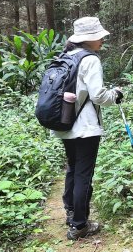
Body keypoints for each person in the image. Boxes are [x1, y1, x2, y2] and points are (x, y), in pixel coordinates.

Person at [52, 16, 123, 240]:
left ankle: (71, 212)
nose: (102, 39)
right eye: (99, 36)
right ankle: (80, 225)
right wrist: (117, 94)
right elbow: (99, 96)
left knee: (73, 169)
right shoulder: (90, 60)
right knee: (83, 174)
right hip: (85, 128)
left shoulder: (65, 57)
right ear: (89, 39)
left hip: (64, 123)